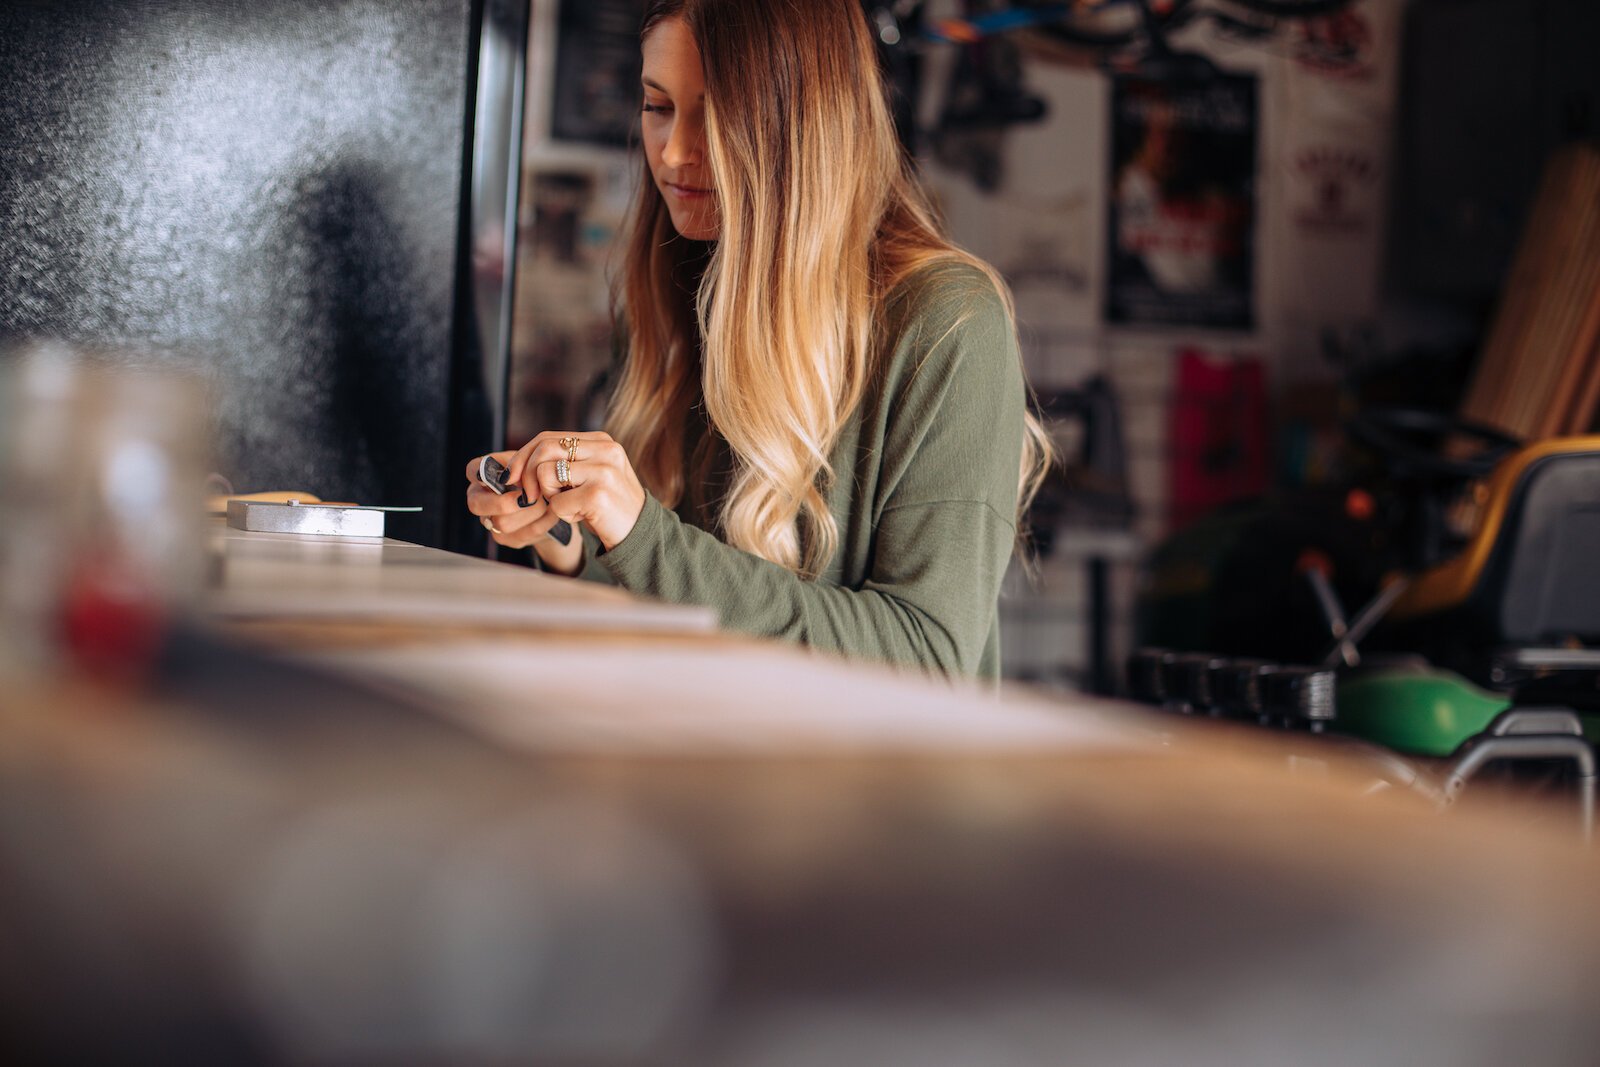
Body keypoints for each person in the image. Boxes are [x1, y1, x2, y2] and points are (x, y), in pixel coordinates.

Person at [466, 0, 1052, 679]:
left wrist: (641, 536)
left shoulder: (950, 321)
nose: (675, 152)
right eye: (658, 107)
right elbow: (687, 593)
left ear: (805, 129)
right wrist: (569, 534)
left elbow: (927, 658)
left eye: (714, 115)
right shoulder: (677, 289)